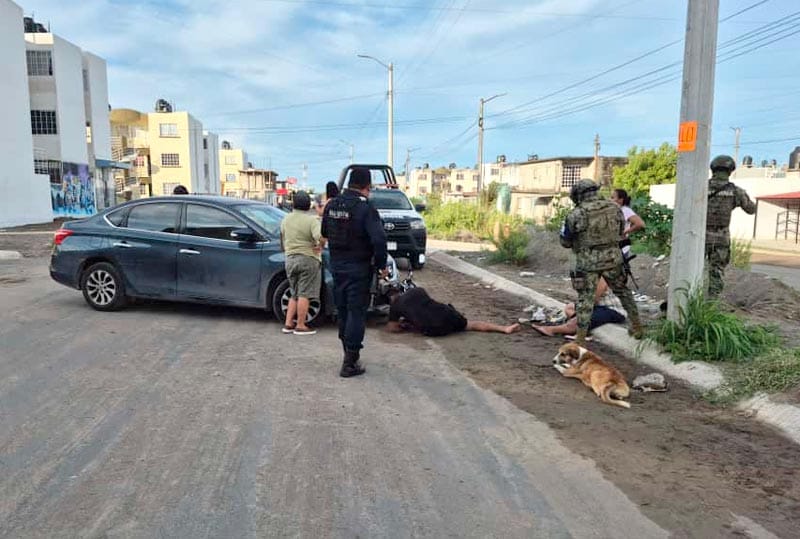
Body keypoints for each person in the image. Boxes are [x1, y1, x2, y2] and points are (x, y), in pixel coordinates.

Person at [321, 167, 388, 378]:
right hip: (358, 268)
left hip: (337, 267)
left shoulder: (332, 205)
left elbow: (324, 232)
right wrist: (381, 266)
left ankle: (349, 355)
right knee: (356, 312)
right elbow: (379, 240)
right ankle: (349, 363)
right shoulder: (365, 208)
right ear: (367, 187)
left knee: (343, 311)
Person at [560, 179, 643, 345]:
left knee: (586, 299)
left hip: (588, 262)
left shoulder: (576, 214)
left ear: (579, 195)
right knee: (623, 292)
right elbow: (621, 232)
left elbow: (565, 241)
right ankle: (637, 327)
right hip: (613, 259)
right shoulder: (615, 208)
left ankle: (580, 338)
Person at [705, 155, 757, 298]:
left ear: (713, 169)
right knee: (716, 271)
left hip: (698, 236)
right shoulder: (736, 191)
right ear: (730, 171)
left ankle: (685, 301)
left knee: (691, 268)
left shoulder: (700, 186)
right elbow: (751, 209)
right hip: (721, 238)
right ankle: (710, 305)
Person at [384, 286, 521, 336]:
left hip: (433, 330)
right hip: (446, 315)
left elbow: (392, 328)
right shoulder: (417, 290)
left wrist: (404, 324)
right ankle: (504, 329)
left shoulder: (395, 307)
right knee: (471, 325)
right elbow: (425, 305)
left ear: (390, 299)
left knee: (417, 325)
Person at [280, 191, 323, 336]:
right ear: (308, 205)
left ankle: (288, 324)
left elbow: (282, 241)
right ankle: (300, 325)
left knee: (294, 292)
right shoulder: (312, 221)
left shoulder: (285, 220)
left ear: (293, 204)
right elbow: (320, 237)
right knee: (304, 293)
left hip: (290, 259)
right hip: (307, 258)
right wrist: (321, 245)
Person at [531, 278, 625, 338]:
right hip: (598, 306)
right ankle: (579, 327)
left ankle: (553, 330)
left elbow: (593, 299)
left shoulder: (601, 277)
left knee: (579, 319)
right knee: (569, 308)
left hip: (612, 309)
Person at [610, 188, 645, 257]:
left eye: (612, 197)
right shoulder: (614, 210)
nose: (610, 200)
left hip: (621, 248)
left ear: (620, 200)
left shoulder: (625, 210)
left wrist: (625, 232)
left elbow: (640, 224)